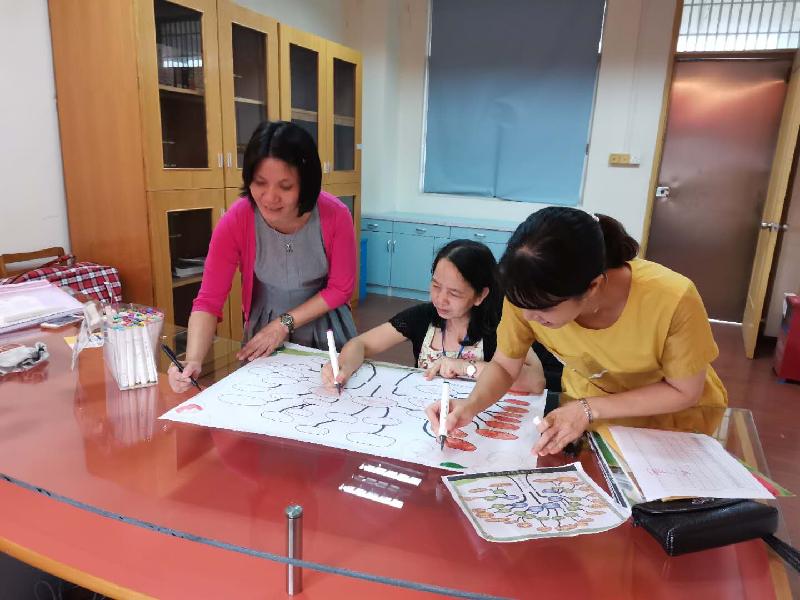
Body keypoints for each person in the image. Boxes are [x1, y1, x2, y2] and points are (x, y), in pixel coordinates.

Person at [426, 207, 728, 456]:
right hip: (589, 416)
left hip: (670, 421)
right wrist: (471, 405)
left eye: (543, 310)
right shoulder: (526, 295)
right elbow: (506, 366)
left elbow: (683, 390)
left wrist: (587, 408)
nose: (528, 317)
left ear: (592, 287)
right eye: (521, 305)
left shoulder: (671, 298)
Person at [169, 121, 357, 392]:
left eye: (285, 186)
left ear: (306, 183)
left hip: (325, 328)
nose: (270, 197)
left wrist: (284, 324)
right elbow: (208, 300)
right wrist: (193, 360)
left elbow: (340, 288)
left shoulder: (335, 215)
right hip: (263, 332)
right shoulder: (237, 219)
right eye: (260, 183)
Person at [321, 239, 545, 392]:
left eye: (454, 293)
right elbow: (361, 344)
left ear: (480, 295)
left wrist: (465, 367)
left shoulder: (499, 325)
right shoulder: (423, 317)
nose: (440, 299)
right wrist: (344, 367)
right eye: (436, 285)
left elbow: (535, 381)